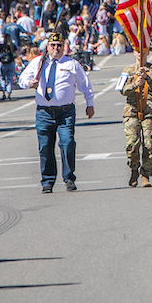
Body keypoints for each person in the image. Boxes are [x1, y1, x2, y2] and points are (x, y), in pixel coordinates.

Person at [18, 31, 95, 193]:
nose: (56, 48)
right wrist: (29, 83)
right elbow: (22, 79)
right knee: (45, 147)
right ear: (47, 47)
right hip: (44, 113)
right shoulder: (38, 63)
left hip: (65, 112)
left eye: (59, 45)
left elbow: (85, 83)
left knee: (67, 143)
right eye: (53, 45)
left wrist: (89, 103)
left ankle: (68, 177)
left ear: (64, 47)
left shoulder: (71, 64)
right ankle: (47, 180)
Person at [120, 48, 152, 188]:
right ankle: (133, 169)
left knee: (149, 144)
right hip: (132, 110)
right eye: (138, 51)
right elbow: (122, 89)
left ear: (147, 52)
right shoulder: (127, 70)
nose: (140, 54)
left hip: (150, 110)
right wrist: (135, 84)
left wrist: (147, 78)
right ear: (134, 53)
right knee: (132, 144)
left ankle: (146, 174)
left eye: (143, 51)